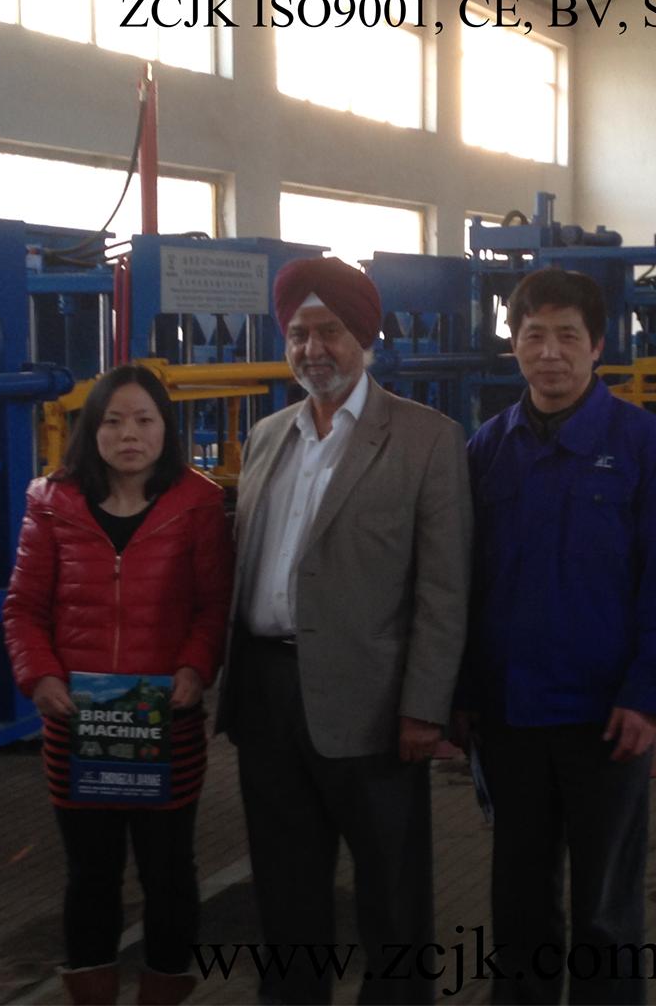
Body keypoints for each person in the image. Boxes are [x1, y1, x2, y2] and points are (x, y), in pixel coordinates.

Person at [215, 256, 472, 1005]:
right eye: (298, 334)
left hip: (374, 702)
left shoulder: (426, 440)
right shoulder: (269, 436)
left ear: (365, 335)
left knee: (392, 894)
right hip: (267, 695)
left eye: (329, 331)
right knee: (286, 891)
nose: (312, 349)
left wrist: (424, 705)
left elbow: (444, 588)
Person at [458, 268, 656, 1005]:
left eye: (568, 336)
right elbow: (461, 583)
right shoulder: (487, 449)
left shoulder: (642, 445)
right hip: (511, 716)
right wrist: (462, 696)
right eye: (533, 336)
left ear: (598, 345)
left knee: (604, 910)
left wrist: (650, 694)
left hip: (607, 718)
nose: (550, 353)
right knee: (519, 902)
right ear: (513, 345)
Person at [3, 364, 234, 1006]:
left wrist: (194, 668)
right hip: (77, 725)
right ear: (91, 430)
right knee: (90, 873)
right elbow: (23, 607)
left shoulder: (197, 503)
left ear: (166, 429)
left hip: (167, 723)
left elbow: (214, 605)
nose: (129, 434)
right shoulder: (51, 502)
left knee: (169, 872)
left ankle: (162, 992)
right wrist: (40, 676)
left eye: (144, 420)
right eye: (113, 421)